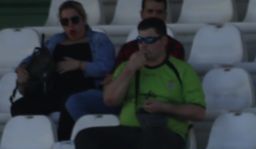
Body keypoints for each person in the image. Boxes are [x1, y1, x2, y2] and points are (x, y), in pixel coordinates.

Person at [74, 18, 204, 149]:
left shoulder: (182, 70)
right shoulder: (128, 67)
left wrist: (164, 107)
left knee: (152, 137)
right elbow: (110, 100)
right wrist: (129, 70)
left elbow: (199, 112)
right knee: (85, 137)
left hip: (167, 133)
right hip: (132, 131)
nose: (144, 46)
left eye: (150, 40)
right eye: (140, 40)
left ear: (164, 41)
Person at [63, 0, 185, 128]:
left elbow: (171, 82)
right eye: (150, 11)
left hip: (152, 101)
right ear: (142, 14)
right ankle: (96, 132)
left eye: (159, 12)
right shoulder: (129, 47)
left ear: (165, 15)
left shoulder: (174, 47)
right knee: (75, 101)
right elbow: (112, 78)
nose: (154, 15)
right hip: (121, 97)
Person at [11, 1, 116, 141]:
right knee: (20, 106)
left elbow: (106, 67)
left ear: (83, 19)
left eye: (75, 20)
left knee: (70, 103)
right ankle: (31, 143)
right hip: (54, 90)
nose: (70, 25)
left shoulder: (98, 39)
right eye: (65, 22)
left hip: (83, 90)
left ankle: (64, 144)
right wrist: (22, 68)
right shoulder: (56, 40)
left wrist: (79, 65)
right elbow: (34, 58)